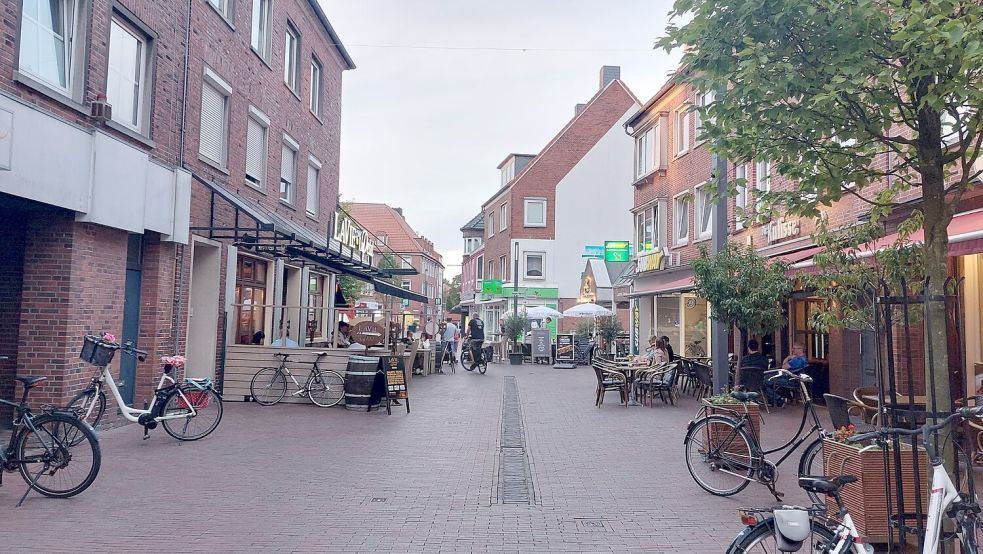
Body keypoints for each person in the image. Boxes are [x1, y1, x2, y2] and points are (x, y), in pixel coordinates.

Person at [765, 343, 808, 407]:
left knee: (765, 381)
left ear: (800, 350)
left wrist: (788, 358)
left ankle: (778, 400)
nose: (792, 350)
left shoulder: (798, 360)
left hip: (791, 380)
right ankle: (777, 399)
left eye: (794, 348)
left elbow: (784, 367)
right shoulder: (804, 358)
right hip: (794, 379)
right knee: (768, 378)